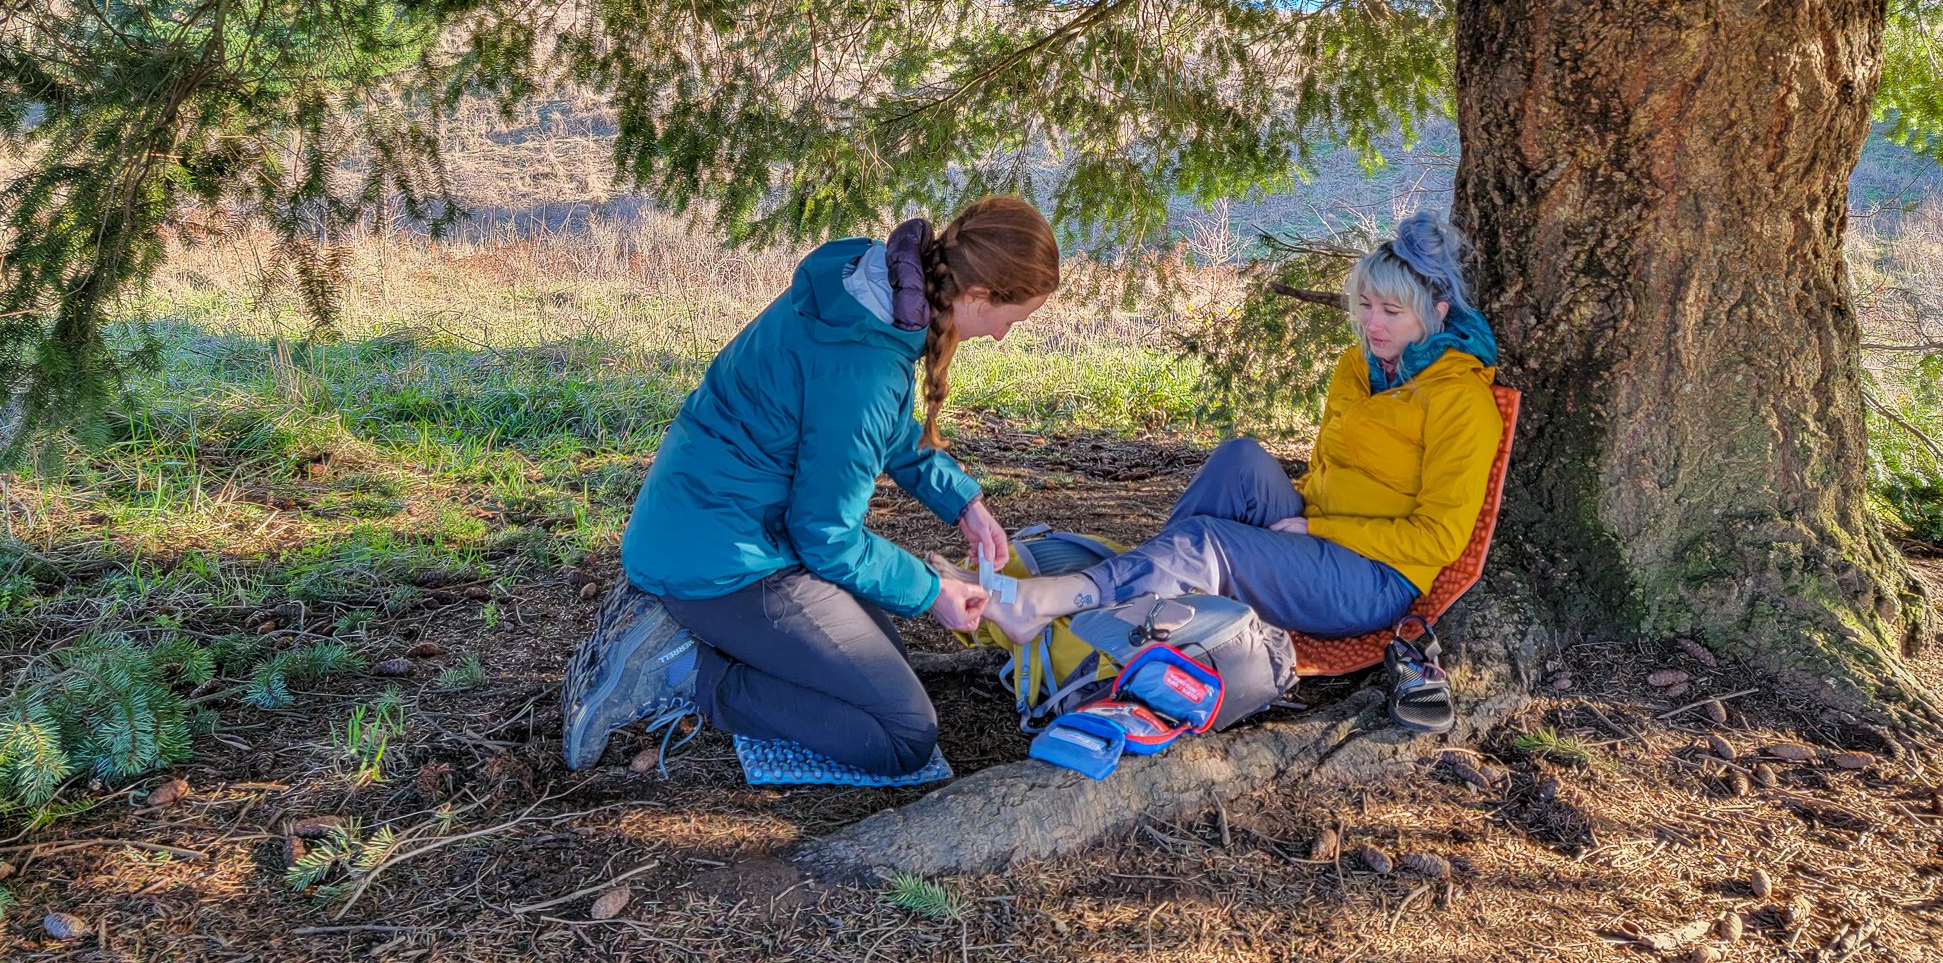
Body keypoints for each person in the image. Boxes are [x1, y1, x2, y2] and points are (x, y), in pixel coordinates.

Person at [561, 197, 1060, 776]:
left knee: (883, 668)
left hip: (711, 523)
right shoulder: (866, 366)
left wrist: (963, 502)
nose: (1002, 337)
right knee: (902, 735)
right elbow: (828, 538)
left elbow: (879, 427)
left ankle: (704, 635)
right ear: (976, 297)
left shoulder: (869, 290)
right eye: (1012, 320)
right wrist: (931, 592)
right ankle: (683, 673)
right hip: (726, 562)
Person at [977, 211, 1499, 645]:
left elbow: (1440, 540)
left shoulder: (1460, 399)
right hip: (1313, 538)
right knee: (1241, 459)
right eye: (1364, 306)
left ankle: (1045, 601)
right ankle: (1145, 595)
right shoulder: (1359, 367)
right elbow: (1330, 471)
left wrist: (1318, 530)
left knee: (1211, 540)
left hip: (1374, 577)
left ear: (1437, 311)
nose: (1371, 324)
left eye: (1391, 311)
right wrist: (1306, 523)